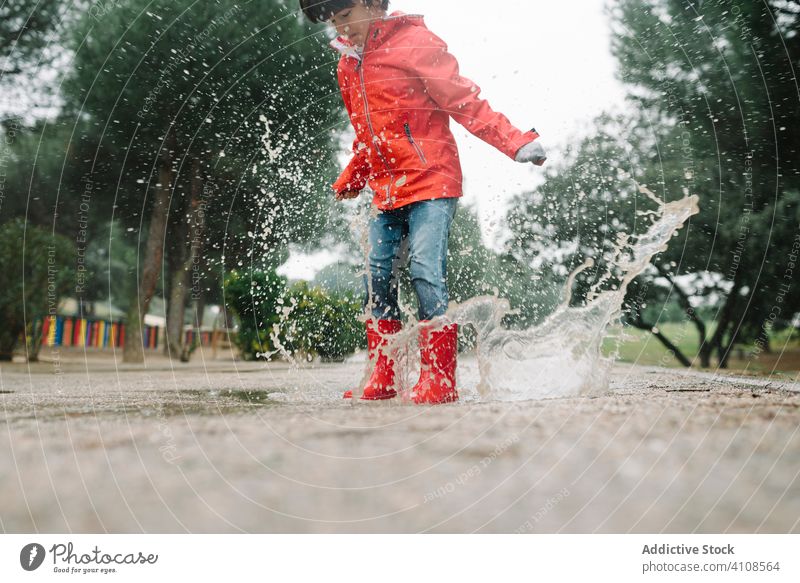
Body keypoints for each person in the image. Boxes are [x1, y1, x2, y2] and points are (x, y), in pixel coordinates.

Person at [300, 0, 547, 404]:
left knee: (424, 268)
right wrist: (354, 174)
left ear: (372, 4)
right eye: (331, 22)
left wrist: (515, 141)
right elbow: (368, 133)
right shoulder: (348, 65)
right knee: (376, 275)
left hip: (432, 179)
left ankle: (438, 378)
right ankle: (385, 374)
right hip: (386, 187)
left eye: (344, 17)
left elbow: (463, 100)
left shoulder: (415, 43)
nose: (340, 29)